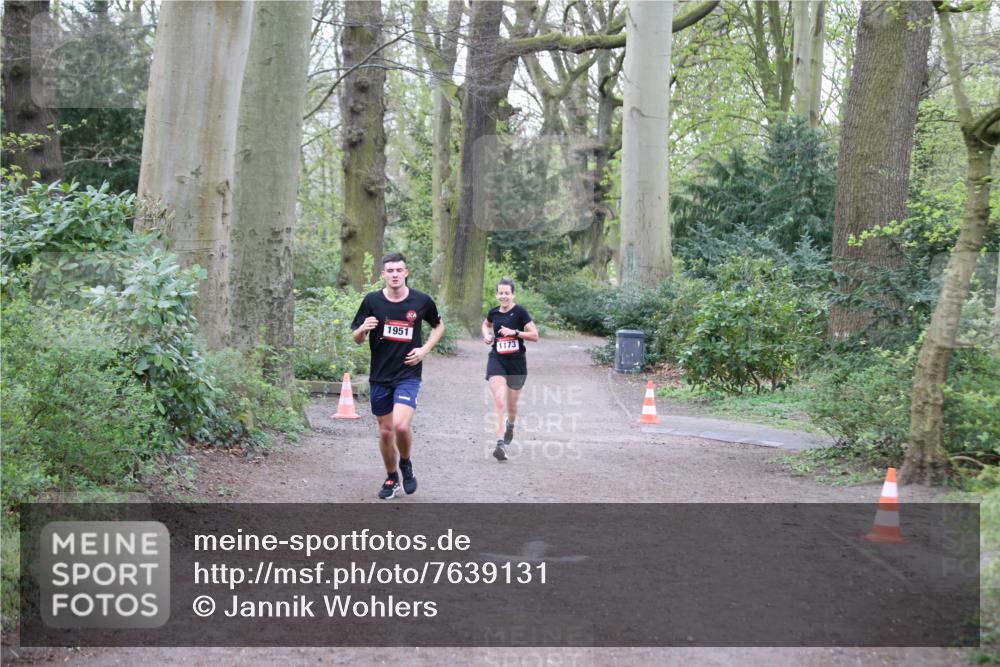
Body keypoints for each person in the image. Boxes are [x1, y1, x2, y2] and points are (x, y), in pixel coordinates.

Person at [351, 253, 445, 499]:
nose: (394, 274)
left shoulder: (421, 301)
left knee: (401, 426)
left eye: (398, 270)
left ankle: (406, 462)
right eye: (390, 271)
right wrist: (362, 330)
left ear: (406, 272)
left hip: (408, 374)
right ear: (383, 275)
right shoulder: (372, 301)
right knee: (385, 432)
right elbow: (357, 337)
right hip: (380, 375)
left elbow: (438, 326)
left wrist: (424, 350)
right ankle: (392, 477)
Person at [482, 278, 539, 462]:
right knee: (499, 401)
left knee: (512, 406)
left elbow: (535, 335)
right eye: (501, 293)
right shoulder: (493, 312)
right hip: (497, 359)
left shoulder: (520, 312)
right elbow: (486, 324)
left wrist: (515, 333)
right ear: (497, 294)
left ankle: (511, 425)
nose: (504, 296)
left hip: (516, 363)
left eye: (507, 293)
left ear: (513, 294)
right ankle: (499, 444)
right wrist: (487, 335)